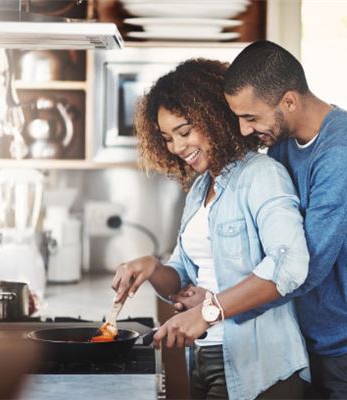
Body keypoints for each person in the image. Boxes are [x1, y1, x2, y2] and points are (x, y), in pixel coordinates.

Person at [172, 41, 347, 399]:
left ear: (289, 101)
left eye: (251, 118)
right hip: (317, 340)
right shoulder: (284, 143)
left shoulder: (346, 156)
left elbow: (303, 267)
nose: (242, 130)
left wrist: (216, 306)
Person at [111, 58, 311, 400]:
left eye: (185, 132)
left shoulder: (261, 176)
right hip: (205, 358)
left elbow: (290, 263)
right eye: (167, 137)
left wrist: (208, 311)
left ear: (214, 118)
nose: (176, 147)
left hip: (260, 367)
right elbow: (184, 278)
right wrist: (154, 268)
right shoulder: (201, 188)